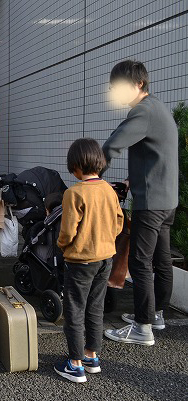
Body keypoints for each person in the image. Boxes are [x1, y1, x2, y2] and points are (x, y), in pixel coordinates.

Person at [102, 61, 179, 346]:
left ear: (137, 85)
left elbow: (112, 146)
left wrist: (92, 177)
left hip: (151, 203)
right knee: (161, 260)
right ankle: (155, 314)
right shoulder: (159, 108)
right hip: (167, 200)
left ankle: (142, 327)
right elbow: (158, 156)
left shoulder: (143, 112)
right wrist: (132, 181)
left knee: (140, 262)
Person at [53, 138, 124, 383]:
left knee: (74, 310)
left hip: (80, 260)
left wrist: (63, 246)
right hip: (106, 258)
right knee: (96, 307)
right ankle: (91, 355)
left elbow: (67, 232)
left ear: (76, 166)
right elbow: (118, 222)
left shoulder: (74, 193)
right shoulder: (109, 190)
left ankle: (75, 364)